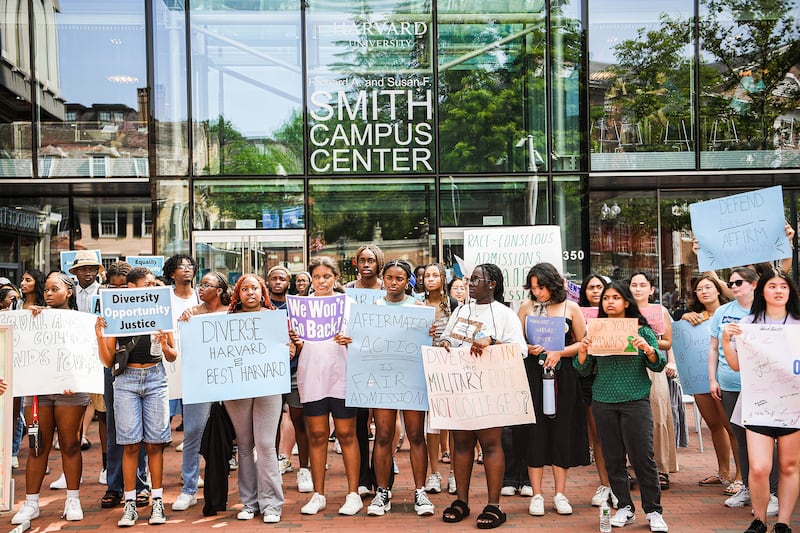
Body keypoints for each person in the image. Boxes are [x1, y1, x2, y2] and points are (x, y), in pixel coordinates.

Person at [575, 281, 669, 532]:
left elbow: (658, 365)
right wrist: (583, 351)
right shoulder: (594, 330)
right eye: (606, 298)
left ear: (626, 301)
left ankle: (653, 510)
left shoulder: (640, 329)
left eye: (616, 297)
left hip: (635, 401)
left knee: (642, 458)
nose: (610, 302)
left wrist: (649, 350)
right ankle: (625, 507)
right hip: (603, 401)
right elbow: (582, 369)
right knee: (613, 458)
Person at [439, 263, 526, 529]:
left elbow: (520, 350)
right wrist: (443, 343)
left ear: (492, 284)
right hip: (461, 387)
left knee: (490, 444)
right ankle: (462, 501)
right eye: (470, 280)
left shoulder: (504, 315)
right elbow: (448, 339)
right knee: (461, 443)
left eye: (477, 280)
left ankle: (493, 504)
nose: (470, 284)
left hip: (490, 388)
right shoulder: (461, 310)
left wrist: (493, 342)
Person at [95, 266, 176, 527]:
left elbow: (172, 355)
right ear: (132, 288)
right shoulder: (115, 313)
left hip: (155, 377)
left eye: (154, 285)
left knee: (155, 443)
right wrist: (100, 337)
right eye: (149, 284)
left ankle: (157, 501)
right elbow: (108, 360)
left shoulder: (162, 310)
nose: (154, 288)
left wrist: (164, 344)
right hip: (126, 380)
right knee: (130, 444)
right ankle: (129, 503)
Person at [721, 268, 800, 533]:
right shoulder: (748, 324)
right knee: (758, 468)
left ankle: (783, 523)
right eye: (772, 286)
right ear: (762, 290)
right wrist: (725, 339)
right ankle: (759, 519)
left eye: (784, 286)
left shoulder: (798, 325)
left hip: (793, 406)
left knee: (789, 466)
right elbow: (734, 365)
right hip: (757, 406)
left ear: (790, 291)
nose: (779, 291)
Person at [11, 272, 90, 525]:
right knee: (37, 445)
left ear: (69, 291)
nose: (47, 293)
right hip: (38, 392)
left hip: (71, 391)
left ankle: (73, 499)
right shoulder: (34, 316)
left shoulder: (81, 321)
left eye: (54, 289)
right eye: (45, 289)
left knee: (70, 444)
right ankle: (31, 503)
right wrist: (28, 319)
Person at [293, 256, 362, 516]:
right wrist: (294, 340)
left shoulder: (349, 304)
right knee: (318, 436)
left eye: (327, 276)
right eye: (317, 277)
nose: (321, 281)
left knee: (346, 435)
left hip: (342, 376)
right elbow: (294, 344)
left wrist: (351, 340)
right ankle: (318, 494)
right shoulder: (301, 306)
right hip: (312, 376)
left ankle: (353, 493)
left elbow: (364, 339)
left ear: (336, 278)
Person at [519, 263, 589, 517]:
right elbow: (516, 341)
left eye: (542, 287)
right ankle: (536, 493)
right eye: (534, 288)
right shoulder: (526, 308)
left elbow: (583, 342)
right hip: (534, 375)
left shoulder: (571, 308)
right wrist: (528, 348)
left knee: (563, 430)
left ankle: (560, 493)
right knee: (535, 431)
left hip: (564, 376)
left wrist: (560, 353)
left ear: (554, 284)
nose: (537, 292)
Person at [709, 267, 780, 515]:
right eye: (731, 283)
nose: (734, 287)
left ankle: (772, 493)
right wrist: (712, 378)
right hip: (730, 384)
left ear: (753, 284)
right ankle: (749, 488)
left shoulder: (767, 311)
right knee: (741, 437)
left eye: (739, 282)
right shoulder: (722, 312)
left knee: (765, 439)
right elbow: (713, 347)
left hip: (761, 385)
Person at [367, 259, 434, 517]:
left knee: (416, 435)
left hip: (412, 377)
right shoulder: (373, 308)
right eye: (389, 278)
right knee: (383, 435)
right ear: (383, 279)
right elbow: (365, 343)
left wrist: (431, 331)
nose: (393, 283)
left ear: (408, 281)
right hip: (384, 378)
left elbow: (429, 341)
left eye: (399, 278)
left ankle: (420, 491)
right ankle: (381, 491)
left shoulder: (418, 307)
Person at [223, 273, 286, 523]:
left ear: (263, 293)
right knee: (245, 446)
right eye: (245, 289)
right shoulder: (225, 322)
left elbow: (287, 348)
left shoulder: (275, 319)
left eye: (255, 289)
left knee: (266, 445)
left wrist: (291, 347)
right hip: (237, 389)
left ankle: (272, 504)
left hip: (268, 387)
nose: (250, 293)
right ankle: (249, 503)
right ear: (237, 294)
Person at [677, 275, 743, 493]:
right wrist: (685, 318)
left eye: (708, 287)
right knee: (714, 425)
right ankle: (723, 472)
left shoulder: (731, 314)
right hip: (700, 378)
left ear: (718, 290)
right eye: (699, 289)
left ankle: (741, 477)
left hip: (725, 378)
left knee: (732, 428)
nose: (704, 292)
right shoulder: (693, 318)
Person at [172, 272, 231, 513]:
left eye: (208, 284)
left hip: (229, 382)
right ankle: (189, 488)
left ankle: (227, 489)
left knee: (233, 436)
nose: (202, 287)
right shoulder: (192, 314)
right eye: (201, 284)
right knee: (193, 432)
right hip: (200, 381)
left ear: (219, 290)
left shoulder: (232, 313)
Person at [100, 261, 151, 511]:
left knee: (138, 431)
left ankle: (141, 485)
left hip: (142, 370)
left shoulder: (150, 304)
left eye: (124, 286)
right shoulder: (104, 306)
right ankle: (114, 486)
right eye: (113, 286)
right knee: (115, 429)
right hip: (113, 368)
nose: (118, 291)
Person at [629, 272, 677, 489]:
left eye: (642, 285)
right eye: (633, 285)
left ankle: (661, 468)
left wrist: (650, 342)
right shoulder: (623, 311)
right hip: (628, 367)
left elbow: (668, 342)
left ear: (651, 289)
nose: (638, 289)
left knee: (657, 415)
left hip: (653, 364)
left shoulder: (660, 311)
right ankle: (631, 468)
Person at [344, 244, 385, 495]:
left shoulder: (387, 288)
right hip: (355, 361)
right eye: (362, 260)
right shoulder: (347, 291)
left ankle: (383, 474)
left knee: (383, 423)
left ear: (379, 263)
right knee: (358, 422)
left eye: (371, 260)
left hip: (383, 361)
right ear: (356, 264)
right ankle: (361, 479)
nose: (366, 264)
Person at [578, 273, 617, 507]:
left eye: (599, 287)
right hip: (591, 380)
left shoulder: (627, 320)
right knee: (600, 436)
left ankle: (620, 481)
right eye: (590, 287)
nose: (595, 292)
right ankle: (606, 484)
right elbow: (579, 358)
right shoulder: (578, 315)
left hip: (621, 382)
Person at [422, 263, 455, 495]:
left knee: (452, 424)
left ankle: (454, 472)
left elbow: (461, 335)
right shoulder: (418, 304)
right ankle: (434, 473)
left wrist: (447, 340)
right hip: (425, 369)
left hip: (449, 370)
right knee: (431, 426)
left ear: (443, 278)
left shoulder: (454, 305)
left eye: (435, 275)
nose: (430, 279)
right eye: (426, 276)